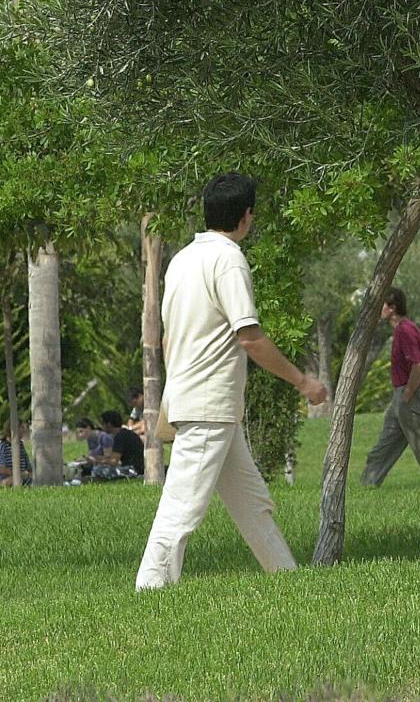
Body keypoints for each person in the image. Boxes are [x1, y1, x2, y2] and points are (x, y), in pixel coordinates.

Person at [136, 173, 327, 591]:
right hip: (211, 405)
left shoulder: (182, 260)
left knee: (252, 504)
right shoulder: (228, 259)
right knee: (181, 509)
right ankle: (149, 591)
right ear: (246, 217)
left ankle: (288, 581)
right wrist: (303, 383)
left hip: (200, 400)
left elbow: (169, 337)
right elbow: (250, 337)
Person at [360, 287, 420, 489]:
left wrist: (407, 395)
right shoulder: (404, 329)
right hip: (402, 397)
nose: (378, 309)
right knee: (384, 446)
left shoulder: (405, 330)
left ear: (392, 308)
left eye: (382, 305)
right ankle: (367, 486)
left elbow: (418, 367)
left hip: (410, 396)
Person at [98, 410, 144, 475]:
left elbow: (113, 461)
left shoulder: (120, 437)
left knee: (98, 470)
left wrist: (95, 460)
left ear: (109, 424)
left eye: (102, 423)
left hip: (133, 470)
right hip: (137, 467)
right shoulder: (125, 433)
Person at [0, 422, 32, 487]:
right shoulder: (1, 445)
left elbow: (28, 467)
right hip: (4, 480)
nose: (24, 430)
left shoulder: (20, 445)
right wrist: (18, 474)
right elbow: (0, 468)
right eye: (22, 427)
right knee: (14, 480)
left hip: (22, 478)